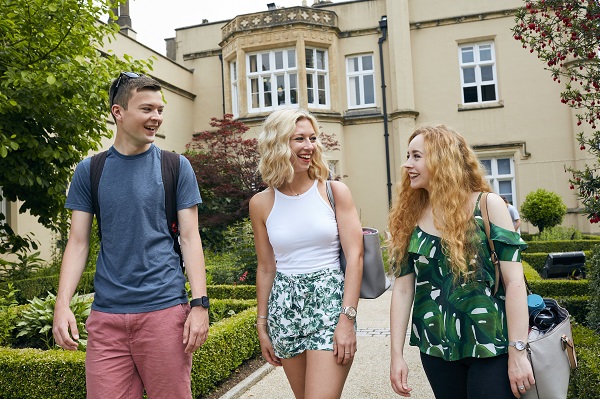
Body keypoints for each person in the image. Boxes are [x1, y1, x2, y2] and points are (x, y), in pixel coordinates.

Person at [52, 72, 209, 399]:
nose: (156, 118)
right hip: (106, 319)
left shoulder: (176, 167)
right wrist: (62, 304)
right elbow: (78, 242)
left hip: (164, 313)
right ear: (118, 112)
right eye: (147, 109)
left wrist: (199, 305)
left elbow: (191, 239)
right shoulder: (89, 170)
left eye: (160, 110)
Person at [387, 125, 534, 399]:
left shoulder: (488, 206)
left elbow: (515, 282)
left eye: (416, 156)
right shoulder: (411, 214)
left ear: (442, 160)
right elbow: (404, 288)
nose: (407, 164)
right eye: (408, 156)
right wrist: (396, 356)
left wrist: (518, 352)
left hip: (492, 345)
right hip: (435, 349)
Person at [249, 108, 364, 399]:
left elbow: (356, 256)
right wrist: (262, 325)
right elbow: (266, 268)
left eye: (312, 138)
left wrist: (347, 320)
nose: (309, 146)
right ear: (278, 144)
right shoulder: (261, 203)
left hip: (329, 301)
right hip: (284, 307)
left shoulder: (334, 192)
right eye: (298, 139)